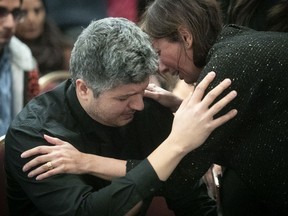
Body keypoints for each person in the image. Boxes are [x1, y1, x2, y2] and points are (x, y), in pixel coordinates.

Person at [4, 17, 237, 215]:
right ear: (83, 89)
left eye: (142, 90)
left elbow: (186, 196)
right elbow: (85, 211)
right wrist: (174, 146)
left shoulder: (149, 108)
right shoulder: (35, 134)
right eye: (123, 98)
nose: (138, 105)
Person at [138, 0, 288, 215]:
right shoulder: (234, 42)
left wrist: (88, 163)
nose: (160, 68)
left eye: (158, 53)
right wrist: (180, 105)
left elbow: (177, 176)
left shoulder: (225, 67)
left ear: (185, 37)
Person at [0, 0, 39, 137]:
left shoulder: (26, 60)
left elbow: (33, 122)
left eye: (16, 13)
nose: (10, 24)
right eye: (1, 12)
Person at [15, 0, 72, 76]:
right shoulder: (7, 53)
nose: (32, 19)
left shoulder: (64, 51)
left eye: (37, 11)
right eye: (23, 12)